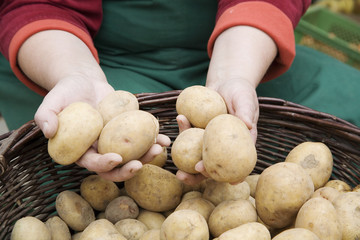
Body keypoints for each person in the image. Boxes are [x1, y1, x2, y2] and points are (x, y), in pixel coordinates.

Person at [1, 0, 359, 184]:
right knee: (94, 170)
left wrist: (235, 73)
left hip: (241, 41)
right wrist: (75, 72)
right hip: (79, 50)